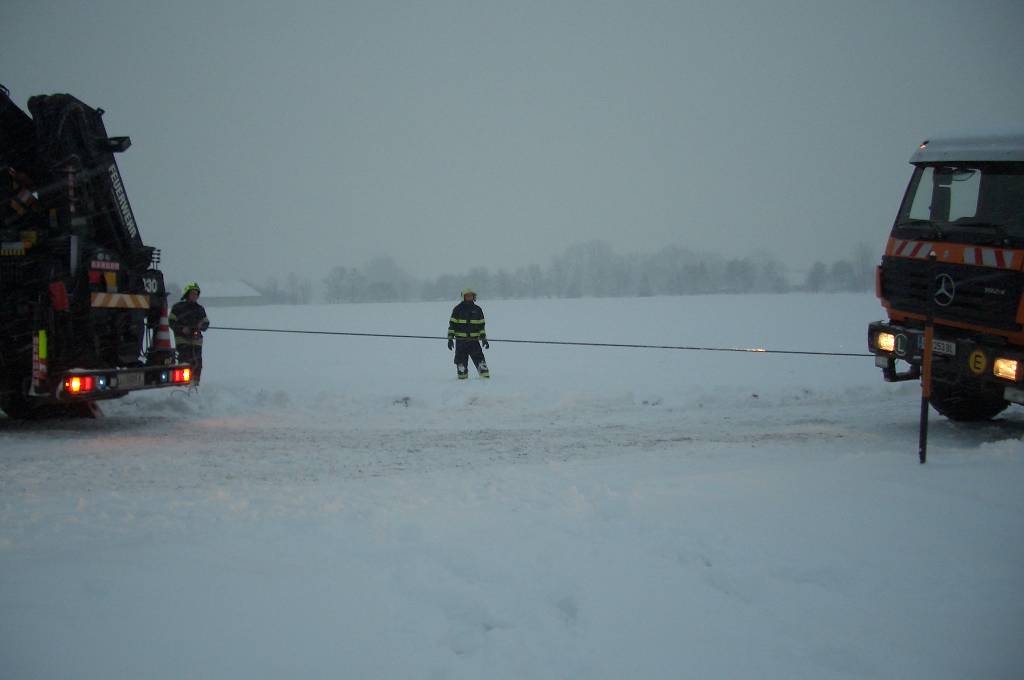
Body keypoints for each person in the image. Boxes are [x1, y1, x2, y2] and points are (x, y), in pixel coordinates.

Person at [169, 281, 210, 385]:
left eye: (196, 294)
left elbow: (206, 322)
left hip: (196, 341)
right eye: (193, 293)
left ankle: (195, 383)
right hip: (182, 340)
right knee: (184, 362)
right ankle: (183, 384)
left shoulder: (200, 309)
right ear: (187, 294)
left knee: (197, 363)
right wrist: (181, 329)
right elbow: (171, 321)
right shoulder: (178, 307)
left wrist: (202, 325)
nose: (195, 296)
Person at [447, 287, 489, 379]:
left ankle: (485, 378)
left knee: (480, 359)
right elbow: (452, 325)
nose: (469, 297)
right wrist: (450, 339)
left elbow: (481, 326)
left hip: (474, 340)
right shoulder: (457, 309)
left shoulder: (478, 310)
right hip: (460, 341)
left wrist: (484, 339)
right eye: (467, 296)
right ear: (463, 297)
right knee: (461, 361)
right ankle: (462, 379)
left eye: (471, 296)